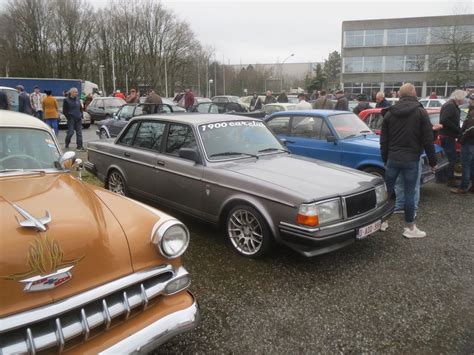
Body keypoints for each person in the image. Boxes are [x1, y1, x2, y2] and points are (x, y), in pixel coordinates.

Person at [380, 83, 437, 238]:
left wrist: (385, 158)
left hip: (393, 158)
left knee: (388, 192)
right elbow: (428, 140)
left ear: (399, 95)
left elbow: (383, 140)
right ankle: (410, 228)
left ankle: (382, 222)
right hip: (411, 159)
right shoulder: (420, 112)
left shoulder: (389, 113)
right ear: (413, 94)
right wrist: (433, 162)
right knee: (410, 193)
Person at [439, 90, 465, 187]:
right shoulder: (450, 106)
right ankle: (449, 179)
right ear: (458, 98)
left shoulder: (452, 105)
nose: (464, 100)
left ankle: (443, 178)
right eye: (463, 98)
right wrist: (457, 129)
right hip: (447, 135)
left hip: (448, 135)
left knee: (447, 158)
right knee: (451, 158)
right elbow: (444, 119)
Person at [451, 94, 474, 194]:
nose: (469, 101)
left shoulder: (472, 113)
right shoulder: (471, 111)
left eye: (471, 100)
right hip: (471, 142)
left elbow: (469, 129)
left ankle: (463, 187)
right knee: (472, 165)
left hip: (468, 143)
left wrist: (461, 138)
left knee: (466, 166)